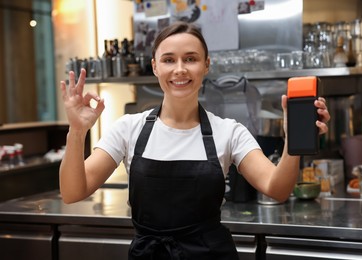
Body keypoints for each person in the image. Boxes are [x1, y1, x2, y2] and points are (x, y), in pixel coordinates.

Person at [59, 21, 330, 260]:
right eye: (168, 60)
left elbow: (277, 188)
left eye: (190, 59)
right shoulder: (129, 128)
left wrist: (293, 140)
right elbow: (73, 192)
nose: (180, 69)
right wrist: (77, 132)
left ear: (206, 65)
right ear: (155, 66)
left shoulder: (229, 131)